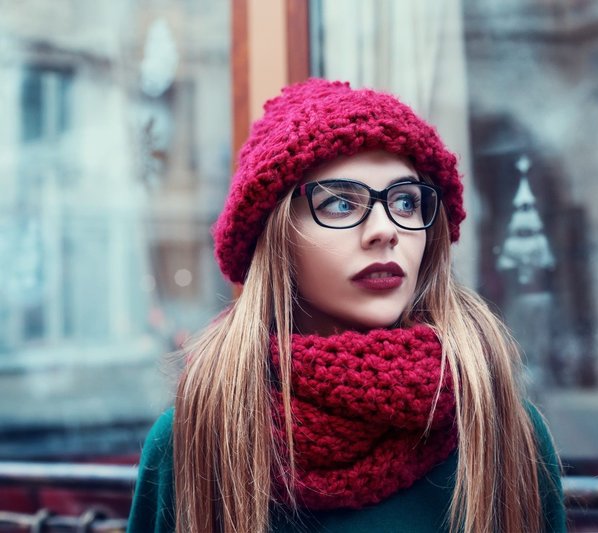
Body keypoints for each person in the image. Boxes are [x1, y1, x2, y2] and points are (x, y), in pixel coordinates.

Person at [127, 79, 565, 533]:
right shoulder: (199, 434)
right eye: (339, 202)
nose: (386, 230)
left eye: (405, 201)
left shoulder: (499, 426)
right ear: (276, 237)